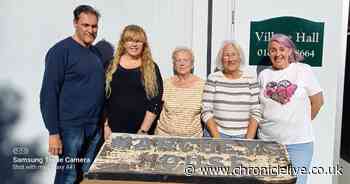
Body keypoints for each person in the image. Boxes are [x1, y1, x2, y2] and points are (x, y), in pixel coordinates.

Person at [40, 5, 104, 184]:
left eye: (94, 26)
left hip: (93, 128)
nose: (90, 30)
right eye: (86, 25)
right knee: (67, 176)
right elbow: (48, 94)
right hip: (71, 129)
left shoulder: (95, 53)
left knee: (86, 176)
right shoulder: (60, 52)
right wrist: (53, 132)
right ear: (75, 23)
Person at [257, 33, 324, 184]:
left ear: (289, 51)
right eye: (273, 50)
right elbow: (259, 107)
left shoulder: (303, 70)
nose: (278, 53)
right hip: (268, 143)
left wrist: (298, 123)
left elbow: (318, 101)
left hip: (298, 144)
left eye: (282, 49)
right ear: (269, 53)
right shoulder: (264, 75)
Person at [104, 25, 163, 139]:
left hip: (141, 131)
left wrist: (143, 131)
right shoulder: (110, 65)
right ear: (123, 43)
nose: (134, 44)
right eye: (130, 40)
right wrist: (105, 126)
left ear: (143, 44)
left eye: (138, 41)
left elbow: (155, 101)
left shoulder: (151, 67)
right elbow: (102, 98)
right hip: (112, 130)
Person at [201, 40, 262, 139]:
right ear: (221, 59)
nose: (230, 59)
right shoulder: (213, 78)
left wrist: (248, 140)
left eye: (234, 54)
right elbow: (206, 110)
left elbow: (256, 112)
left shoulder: (250, 79)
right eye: (226, 55)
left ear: (239, 57)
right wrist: (217, 139)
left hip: (244, 135)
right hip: (216, 134)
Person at [155, 47, 205, 137]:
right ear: (174, 64)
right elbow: (156, 107)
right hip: (164, 137)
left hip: (193, 140)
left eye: (186, 60)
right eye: (178, 60)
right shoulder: (166, 84)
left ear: (192, 64)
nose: (182, 64)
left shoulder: (202, 86)